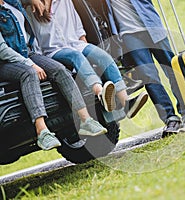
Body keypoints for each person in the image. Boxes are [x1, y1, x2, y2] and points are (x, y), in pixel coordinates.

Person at [0, 0, 109, 151]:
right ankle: (42, 132)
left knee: (59, 69)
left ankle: (86, 121)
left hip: (27, 52)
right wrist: (29, 63)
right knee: (29, 73)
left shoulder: (11, 3)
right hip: (5, 62)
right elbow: (2, 50)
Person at [27, 0, 148, 119]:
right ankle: (101, 94)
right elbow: (33, 40)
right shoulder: (30, 8)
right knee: (76, 56)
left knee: (103, 56)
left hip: (75, 44)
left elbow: (77, 24)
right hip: (52, 51)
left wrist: (86, 46)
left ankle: (126, 102)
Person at [105, 0, 185, 135]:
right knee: (149, 77)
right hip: (129, 35)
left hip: (151, 27)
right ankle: (170, 118)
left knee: (171, 68)